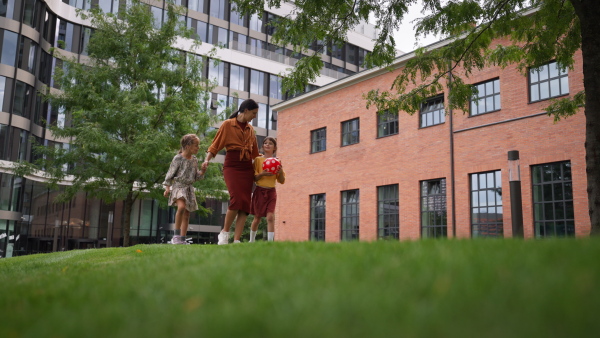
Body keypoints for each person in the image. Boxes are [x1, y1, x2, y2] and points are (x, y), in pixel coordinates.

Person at [202, 99, 259, 244]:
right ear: (245, 111)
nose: (255, 116)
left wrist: (262, 167)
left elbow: (255, 154)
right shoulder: (228, 124)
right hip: (232, 166)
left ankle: (237, 240)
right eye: (253, 113)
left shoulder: (251, 129)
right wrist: (207, 160)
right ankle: (224, 232)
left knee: (246, 203)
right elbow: (215, 145)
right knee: (236, 199)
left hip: (247, 167)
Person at [163, 134, 204, 244]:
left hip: (189, 188)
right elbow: (170, 174)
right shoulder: (178, 158)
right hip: (178, 186)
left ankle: (182, 239)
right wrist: (167, 188)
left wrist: (203, 171)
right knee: (181, 207)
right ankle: (176, 236)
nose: (198, 147)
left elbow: (196, 177)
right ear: (187, 146)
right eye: (196, 145)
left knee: (187, 214)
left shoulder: (194, 160)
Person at [249, 137, 285, 242]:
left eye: (270, 143)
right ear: (262, 146)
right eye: (265, 143)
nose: (267, 145)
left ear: (275, 148)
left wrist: (281, 171)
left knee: (270, 217)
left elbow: (281, 181)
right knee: (257, 218)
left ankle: (270, 242)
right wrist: (262, 174)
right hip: (259, 190)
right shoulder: (258, 160)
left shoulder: (277, 161)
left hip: (271, 191)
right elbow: (254, 178)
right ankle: (251, 241)